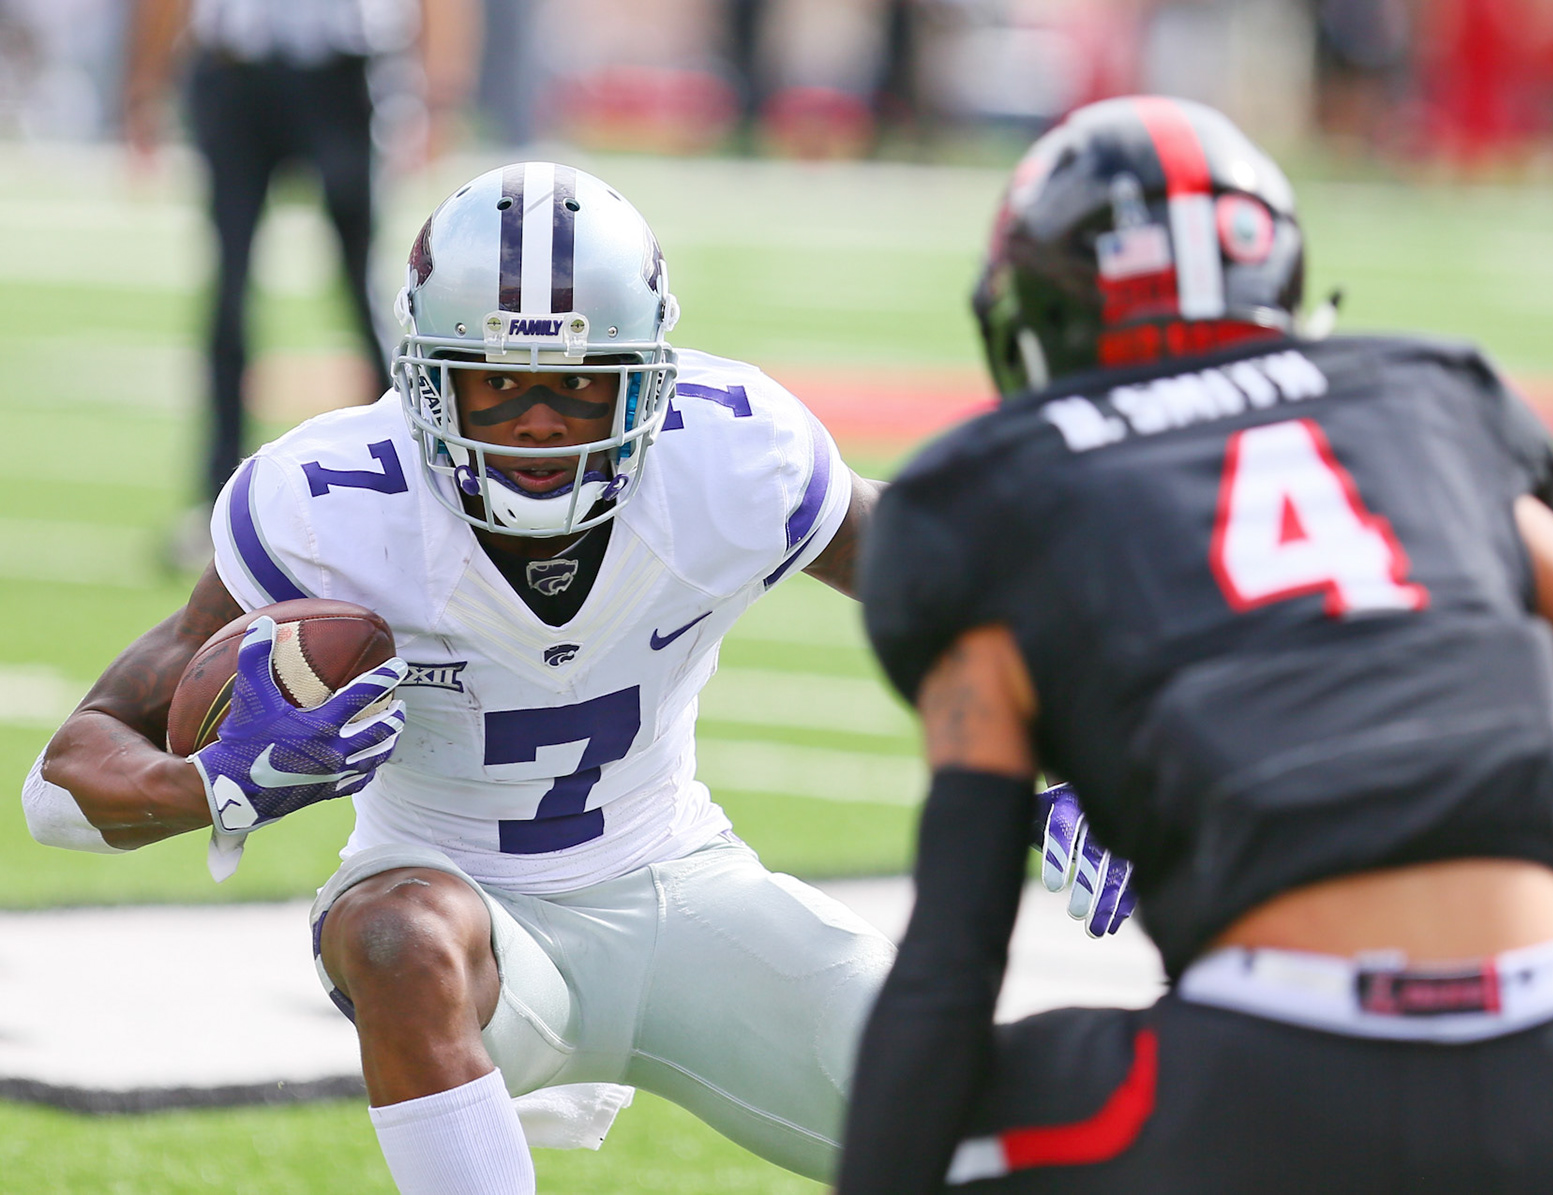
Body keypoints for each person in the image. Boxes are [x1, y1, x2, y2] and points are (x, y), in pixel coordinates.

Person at [839, 96, 1553, 1193]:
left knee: (961, 1123)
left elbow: (949, 973)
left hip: (1277, 1078)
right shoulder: (1427, 417)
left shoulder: (990, 500)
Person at [22, 161, 1130, 1195]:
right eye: (496, 385)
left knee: (1015, 1138)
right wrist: (211, 783)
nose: (540, 422)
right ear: (422, 385)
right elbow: (63, 779)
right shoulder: (331, 503)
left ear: (650, 380)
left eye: (581, 386)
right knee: (396, 936)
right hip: (466, 918)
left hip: (682, 887)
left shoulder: (730, 452)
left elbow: (950, 589)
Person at [123, 0, 477, 568]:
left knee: (369, 296)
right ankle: (217, 499)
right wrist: (145, 82)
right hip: (235, 71)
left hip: (342, 73)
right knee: (229, 294)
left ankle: (417, 487)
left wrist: (439, 97)